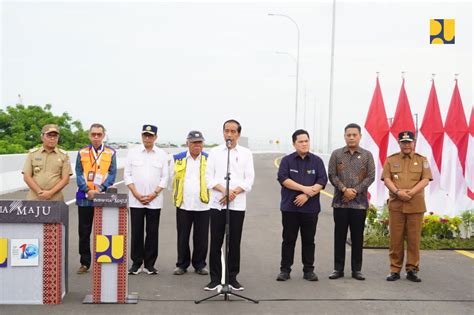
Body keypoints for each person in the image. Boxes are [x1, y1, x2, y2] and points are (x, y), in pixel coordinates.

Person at [204, 119, 255, 291]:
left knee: (234, 242)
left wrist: (233, 192)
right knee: (216, 241)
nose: (229, 134)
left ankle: (232, 278)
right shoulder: (215, 152)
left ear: (238, 134)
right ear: (223, 132)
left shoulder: (246, 153)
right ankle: (215, 279)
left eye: (233, 131)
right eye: (227, 131)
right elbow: (208, 178)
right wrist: (224, 191)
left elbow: (249, 179)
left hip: (237, 204)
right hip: (217, 203)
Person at [276, 129, 328, 282]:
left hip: (310, 209)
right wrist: (304, 188)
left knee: (309, 240)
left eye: (306, 141)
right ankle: (285, 270)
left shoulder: (317, 161)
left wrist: (307, 194)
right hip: (290, 208)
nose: (304, 144)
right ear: (294, 144)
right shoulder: (287, 161)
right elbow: (283, 179)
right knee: (288, 239)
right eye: (301, 141)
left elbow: (322, 181)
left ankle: (308, 270)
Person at [382, 131, 432, 282]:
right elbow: (386, 179)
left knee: (413, 240)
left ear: (414, 143)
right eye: (403, 142)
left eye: (409, 142)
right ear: (399, 143)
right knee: (395, 240)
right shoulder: (391, 160)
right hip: (396, 205)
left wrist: (411, 192)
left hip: (415, 205)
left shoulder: (422, 160)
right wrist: (398, 192)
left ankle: (412, 269)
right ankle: (394, 269)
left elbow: (425, 179)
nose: (406, 145)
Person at [327, 123, 375, 281]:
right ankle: (338, 269)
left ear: (360, 136)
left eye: (355, 135)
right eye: (349, 135)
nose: (352, 137)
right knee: (339, 236)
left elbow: (371, 176)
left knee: (357, 237)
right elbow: (332, 175)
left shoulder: (367, 155)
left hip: (359, 204)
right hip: (340, 203)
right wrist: (344, 190)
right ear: (344, 136)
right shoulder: (336, 154)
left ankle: (357, 270)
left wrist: (355, 191)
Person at [124, 124, 169, 275]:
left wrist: (153, 194)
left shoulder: (162, 154)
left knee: (152, 232)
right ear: (141, 136)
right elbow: (127, 175)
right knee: (136, 232)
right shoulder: (133, 153)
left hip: (154, 200)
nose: (147, 138)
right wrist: (136, 193)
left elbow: (165, 177)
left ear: (155, 137)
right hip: (136, 199)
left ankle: (150, 264)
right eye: (145, 135)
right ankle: (136, 263)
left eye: (150, 136)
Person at [75, 123, 117, 274]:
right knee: (84, 232)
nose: (96, 137)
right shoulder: (82, 152)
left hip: (103, 197)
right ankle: (85, 263)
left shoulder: (111, 152)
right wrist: (88, 190)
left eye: (99, 134)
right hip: (85, 197)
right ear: (89, 135)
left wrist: (100, 189)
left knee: (104, 230)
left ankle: (104, 260)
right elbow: (78, 173)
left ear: (104, 135)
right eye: (93, 134)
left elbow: (112, 174)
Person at [169, 130, 210, 276]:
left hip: (203, 205)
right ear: (188, 143)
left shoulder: (209, 159)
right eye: (194, 143)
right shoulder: (178, 159)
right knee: (183, 236)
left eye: (199, 143)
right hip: (184, 204)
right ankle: (182, 264)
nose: (197, 146)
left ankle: (200, 264)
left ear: (203, 144)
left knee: (202, 237)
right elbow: (171, 180)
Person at [22, 124, 72, 201]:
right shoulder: (32, 154)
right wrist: (39, 192)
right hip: (35, 198)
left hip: (55, 199)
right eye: (49, 135)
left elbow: (65, 179)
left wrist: (50, 193)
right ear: (42, 137)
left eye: (55, 136)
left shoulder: (63, 155)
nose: (52, 138)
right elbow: (27, 176)